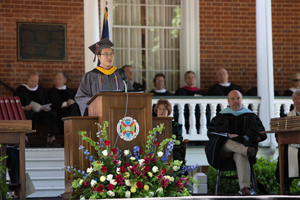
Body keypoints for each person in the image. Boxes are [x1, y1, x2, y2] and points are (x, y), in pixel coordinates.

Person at [205, 90, 266, 195]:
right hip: (224, 151)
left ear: (242, 100)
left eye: (238, 98)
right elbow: (211, 133)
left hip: (241, 149)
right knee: (225, 141)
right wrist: (228, 135)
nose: (235, 101)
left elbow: (261, 133)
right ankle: (247, 150)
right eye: (232, 99)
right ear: (228, 101)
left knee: (240, 154)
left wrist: (242, 137)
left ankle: (245, 188)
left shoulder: (250, 116)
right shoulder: (221, 116)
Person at [75, 38, 134, 116]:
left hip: (119, 114)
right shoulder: (90, 76)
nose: (109, 57)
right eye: (106, 54)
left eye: (111, 54)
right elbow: (81, 97)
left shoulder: (120, 74)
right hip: (98, 114)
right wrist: (94, 102)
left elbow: (131, 94)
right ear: (98, 56)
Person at [13, 71, 61, 147]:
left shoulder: (41, 90)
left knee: (52, 114)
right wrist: (24, 108)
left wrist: (46, 108)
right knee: (24, 115)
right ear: (27, 80)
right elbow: (15, 105)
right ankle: (25, 140)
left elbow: (47, 103)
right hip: (28, 112)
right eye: (32, 81)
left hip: (41, 113)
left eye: (36, 81)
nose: (33, 83)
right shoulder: (21, 90)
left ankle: (52, 139)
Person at [275, 90, 300, 194]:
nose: (298, 101)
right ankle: (285, 185)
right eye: (295, 99)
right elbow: (278, 135)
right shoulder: (286, 117)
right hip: (292, 146)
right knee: (285, 153)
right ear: (293, 101)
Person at [153, 98, 185, 162]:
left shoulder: (175, 126)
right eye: (159, 109)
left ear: (168, 111)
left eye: (164, 109)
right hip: (155, 150)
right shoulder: (151, 124)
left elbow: (180, 142)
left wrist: (170, 145)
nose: (162, 111)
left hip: (171, 151)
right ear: (156, 110)